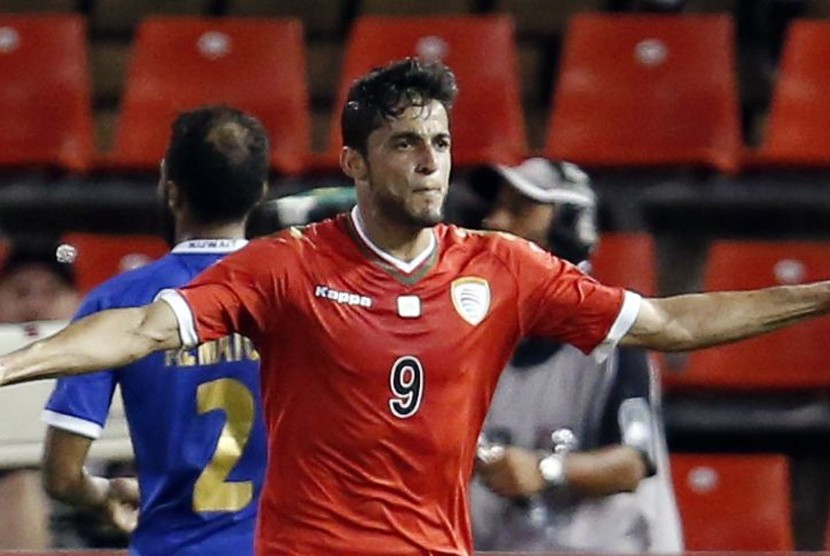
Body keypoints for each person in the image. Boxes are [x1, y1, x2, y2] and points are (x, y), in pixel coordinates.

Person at [2, 57, 830, 555]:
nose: (429, 162)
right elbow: (138, 328)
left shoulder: (503, 267)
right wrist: (16, 360)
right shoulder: (288, 265)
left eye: (439, 142)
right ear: (354, 163)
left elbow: (671, 324)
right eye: (405, 143)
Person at [39, 105, 268, 555]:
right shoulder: (301, 292)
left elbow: (62, 476)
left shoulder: (116, 302)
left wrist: (103, 494)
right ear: (260, 192)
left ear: (171, 191)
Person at [468, 158, 683, 552]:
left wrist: (546, 470)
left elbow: (632, 463)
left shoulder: (615, 333)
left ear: (568, 224)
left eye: (519, 209)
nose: (494, 221)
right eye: (497, 207)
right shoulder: (476, 338)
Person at [0, 239, 80, 549]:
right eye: (20, 292)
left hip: (95, 509)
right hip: (14, 506)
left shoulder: (112, 357)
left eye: (51, 292)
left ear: (76, 300)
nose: (35, 306)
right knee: (19, 484)